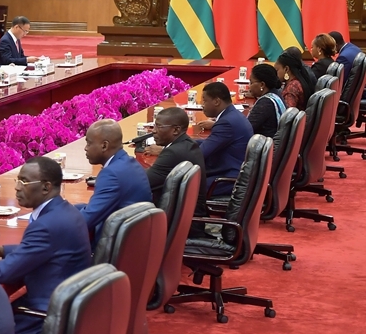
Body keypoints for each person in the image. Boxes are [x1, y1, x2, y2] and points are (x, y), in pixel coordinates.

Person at [0, 157, 92, 334]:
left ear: (46, 187)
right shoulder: (66, 210)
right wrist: (3, 251)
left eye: (24, 182)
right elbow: (46, 249)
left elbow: (4, 272)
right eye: (18, 180)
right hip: (67, 306)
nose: (17, 187)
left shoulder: (45, 225)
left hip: (46, 316)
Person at [76, 119, 152, 244]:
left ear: (104, 146)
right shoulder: (130, 162)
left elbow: (85, 221)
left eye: (89, 143)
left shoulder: (111, 175)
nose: (85, 148)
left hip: (117, 247)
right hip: (137, 241)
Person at [142, 107, 208, 236]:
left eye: (159, 126)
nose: (153, 131)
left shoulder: (173, 153)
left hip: (181, 226)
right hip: (188, 219)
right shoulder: (187, 144)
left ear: (176, 130)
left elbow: (143, 182)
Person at [195, 82, 253, 193]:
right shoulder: (233, 114)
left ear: (216, 101)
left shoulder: (226, 123)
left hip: (229, 179)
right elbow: (209, 142)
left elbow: (200, 153)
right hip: (235, 171)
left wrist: (172, 154)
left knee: (183, 186)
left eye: (205, 101)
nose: (202, 105)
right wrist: (183, 144)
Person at [246, 63, 287, 138]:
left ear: (262, 84)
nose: (249, 86)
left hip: (264, 143)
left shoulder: (265, 103)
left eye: (251, 82)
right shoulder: (276, 93)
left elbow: (245, 130)